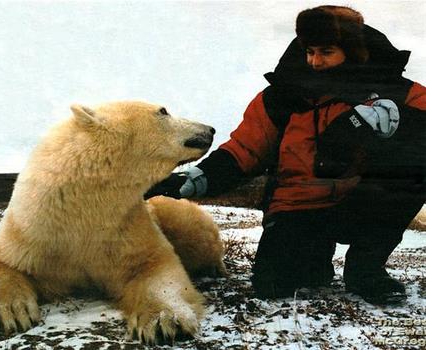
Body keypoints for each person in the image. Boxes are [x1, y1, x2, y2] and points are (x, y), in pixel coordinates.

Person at [145, 5, 426, 304]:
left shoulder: (395, 91)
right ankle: (314, 257)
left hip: (361, 201)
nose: (315, 61)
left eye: (327, 52)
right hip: (297, 204)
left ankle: (365, 269)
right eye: (310, 51)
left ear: (352, 50)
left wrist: (401, 121)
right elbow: (245, 150)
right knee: (273, 285)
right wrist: (197, 179)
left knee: (414, 168)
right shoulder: (281, 96)